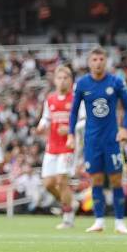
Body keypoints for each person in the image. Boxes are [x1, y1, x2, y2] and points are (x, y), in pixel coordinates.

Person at [67, 46, 127, 234]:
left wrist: (124, 128)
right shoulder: (82, 84)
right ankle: (99, 221)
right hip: (92, 140)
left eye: (101, 59)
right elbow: (73, 111)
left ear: (106, 61)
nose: (98, 63)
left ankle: (120, 222)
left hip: (111, 139)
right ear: (89, 62)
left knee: (116, 179)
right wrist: (71, 134)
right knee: (95, 179)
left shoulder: (116, 82)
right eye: (94, 60)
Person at [37, 65, 85, 229]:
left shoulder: (77, 99)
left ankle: (68, 217)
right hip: (52, 145)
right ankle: (71, 202)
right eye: (59, 78)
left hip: (69, 145)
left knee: (61, 180)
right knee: (48, 184)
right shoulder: (50, 99)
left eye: (66, 78)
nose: (62, 81)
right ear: (55, 80)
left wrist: (71, 129)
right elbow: (46, 118)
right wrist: (41, 125)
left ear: (71, 80)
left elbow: (85, 120)